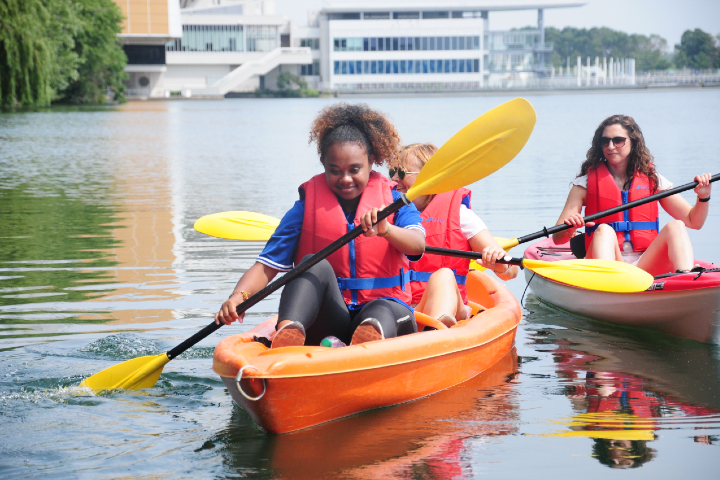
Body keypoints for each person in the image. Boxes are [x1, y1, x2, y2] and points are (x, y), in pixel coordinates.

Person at [215, 103, 426, 348]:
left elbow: (417, 246)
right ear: (323, 163)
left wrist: (387, 229)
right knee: (311, 263)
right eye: (335, 171)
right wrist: (238, 297)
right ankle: (287, 334)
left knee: (377, 315)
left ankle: (367, 347)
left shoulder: (395, 201)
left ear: (371, 161)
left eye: (354, 170)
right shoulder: (305, 209)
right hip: (332, 319)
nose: (345, 179)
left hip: (388, 314)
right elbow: (266, 267)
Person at [552, 114, 712, 276]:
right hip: (607, 262)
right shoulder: (583, 185)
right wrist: (570, 228)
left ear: (633, 142)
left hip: (645, 263)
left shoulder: (653, 180)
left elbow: (693, 221)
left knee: (676, 226)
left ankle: (686, 277)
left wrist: (703, 197)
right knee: (604, 231)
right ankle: (608, 286)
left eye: (618, 140)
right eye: (605, 141)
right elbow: (557, 238)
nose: (610, 146)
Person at [389, 143, 518, 326]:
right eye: (391, 173)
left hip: (449, 309)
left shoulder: (461, 215)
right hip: (403, 312)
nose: (394, 179)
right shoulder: (384, 214)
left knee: (443, 275)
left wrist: (498, 264)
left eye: (401, 173)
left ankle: (438, 330)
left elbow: (511, 271)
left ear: (430, 177)